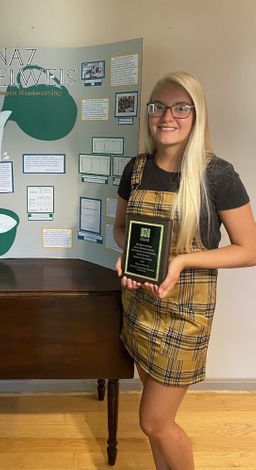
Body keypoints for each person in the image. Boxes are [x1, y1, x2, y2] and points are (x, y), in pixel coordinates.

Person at [113, 71, 256, 470]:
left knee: (155, 422)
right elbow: (121, 228)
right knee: (156, 421)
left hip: (184, 316)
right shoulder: (136, 169)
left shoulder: (217, 174)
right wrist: (127, 255)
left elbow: (250, 249)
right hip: (140, 305)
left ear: (197, 114)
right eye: (157, 106)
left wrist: (182, 260)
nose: (166, 116)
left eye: (180, 107)